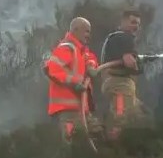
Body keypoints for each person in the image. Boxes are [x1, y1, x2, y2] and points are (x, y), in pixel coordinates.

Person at [43, 17, 102, 145]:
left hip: (81, 110)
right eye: (86, 31)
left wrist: (91, 66)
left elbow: (90, 57)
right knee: (73, 146)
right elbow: (53, 69)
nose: (89, 35)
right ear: (75, 30)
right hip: (67, 111)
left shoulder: (80, 50)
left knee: (98, 136)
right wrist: (74, 83)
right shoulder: (66, 48)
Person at [99, 8, 149, 140]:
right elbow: (130, 63)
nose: (136, 26)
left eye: (138, 24)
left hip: (114, 84)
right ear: (123, 21)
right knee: (121, 120)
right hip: (120, 84)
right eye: (133, 22)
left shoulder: (114, 38)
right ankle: (113, 150)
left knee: (140, 113)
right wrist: (139, 63)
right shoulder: (124, 37)